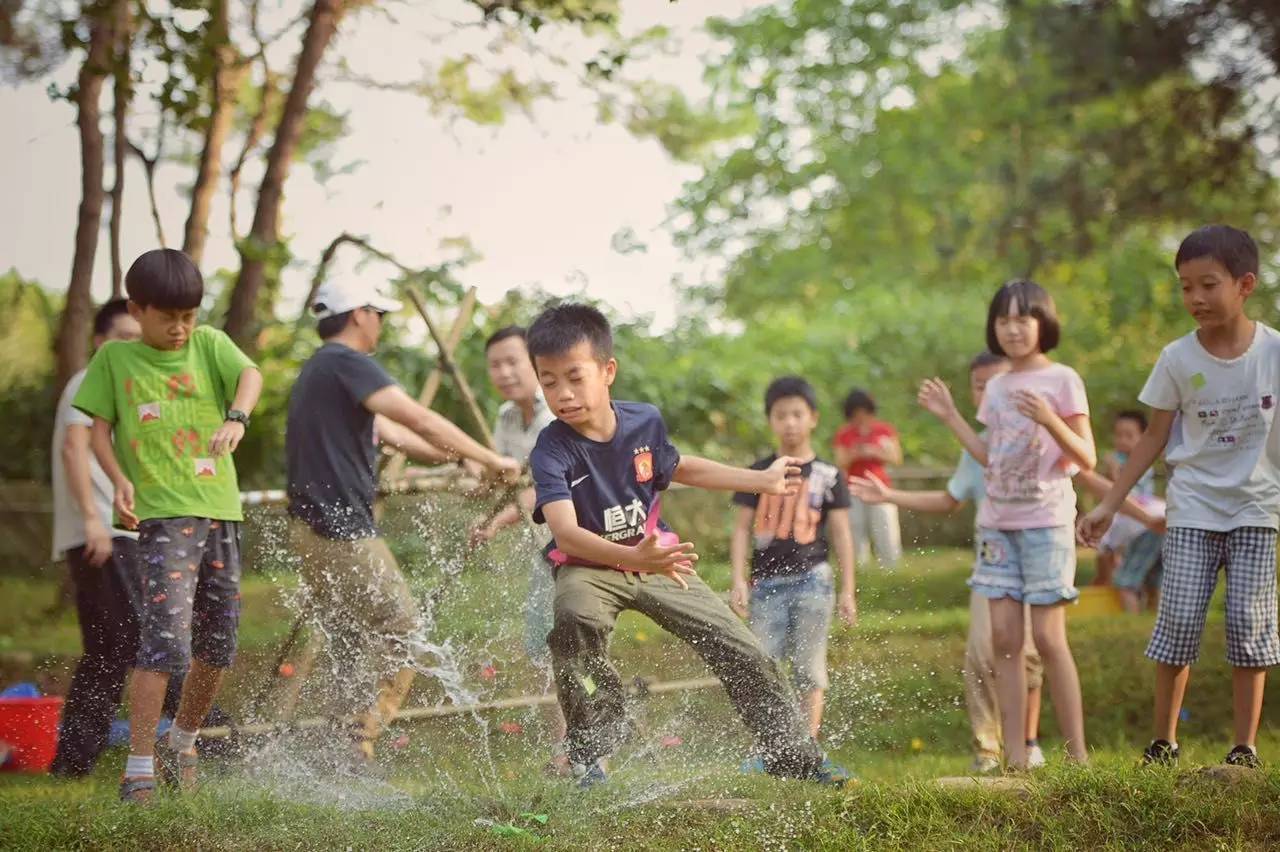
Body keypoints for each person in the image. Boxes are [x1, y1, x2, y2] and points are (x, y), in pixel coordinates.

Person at [526, 303, 847, 789]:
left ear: (608, 371)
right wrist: (632, 558)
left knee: (743, 648)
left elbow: (679, 468)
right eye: (549, 382)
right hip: (587, 563)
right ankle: (591, 754)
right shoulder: (551, 449)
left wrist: (758, 479)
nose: (563, 394)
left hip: (656, 556)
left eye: (574, 377)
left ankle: (795, 757)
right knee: (574, 621)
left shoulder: (644, 423)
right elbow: (565, 534)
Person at [285, 275, 520, 764]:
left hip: (311, 532)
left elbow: (395, 434)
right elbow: (420, 419)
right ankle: (358, 740)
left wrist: (460, 460)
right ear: (359, 315)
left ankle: (334, 751)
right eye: (380, 315)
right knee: (403, 629)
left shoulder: (319, 372)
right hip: (340, 530)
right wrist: (493, 460)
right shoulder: (347, 363)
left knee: (352, 639)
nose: (381, 325)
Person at [1079, 225, 1280, 769]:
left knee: (1248, 623)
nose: (1194, 298)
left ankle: (1245, 747)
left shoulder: (1274, 352)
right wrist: (1106, 504)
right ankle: (1163, 742)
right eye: (1185, 286)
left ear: (1244, 285)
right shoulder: (1176, 358)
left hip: (1256, 510)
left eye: (1207, 285)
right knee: (1180, 621)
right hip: (1192, 508)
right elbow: (1152, 438)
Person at [73, 249, 264, 802]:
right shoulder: (115, 360)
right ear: (138, 309)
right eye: (167, 317)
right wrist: (118, 482)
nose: (180, 328)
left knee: (220, 640)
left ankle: (182, 740)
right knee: (165, 640)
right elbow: (98, 432)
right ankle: (138, 766)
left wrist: (236, 417)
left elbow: (250, 374)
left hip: (220, 509)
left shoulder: (207, 345)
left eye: (189, 316)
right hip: (162, 515)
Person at [920, 279, 1092, 768]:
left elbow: (1086, 455)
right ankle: (1015, 757)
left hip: (1046, 523)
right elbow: (988, 458)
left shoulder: (1062, 380)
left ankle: (1078, 756)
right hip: (998, 526)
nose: (1013, 329)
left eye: (1023, 319)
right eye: (1003, 320)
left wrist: (1049, 419)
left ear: (1044, 323)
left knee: (1051, 640)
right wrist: (951, 414)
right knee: (1004, 642)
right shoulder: (996, 386)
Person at [849, 352, 1047, 773]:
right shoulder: (972, 445)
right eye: (978, 384)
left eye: (995, 381)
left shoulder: (1038, 435)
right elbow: (950, 499)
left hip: (1037, 559)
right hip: (991, 564)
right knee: (980, 654)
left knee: (1028, 653)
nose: (987, 391)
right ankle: (987, 748)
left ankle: (1028, 742)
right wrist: (889, 496)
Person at [729, 376, 857, 742]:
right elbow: (740, 529)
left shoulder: (829, 475)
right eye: (781, 415)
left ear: (813, 418)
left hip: (813, 581)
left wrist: (848, 590)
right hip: (766, 584)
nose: (790, 423)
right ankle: (769, 746)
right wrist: (738, 579)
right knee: (761, 664)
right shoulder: (758, 472)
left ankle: (807, 746)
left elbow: (842, 534)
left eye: (797, 414)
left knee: (808, 667)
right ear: (770, 420)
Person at [48, 300, 144, 777]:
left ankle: (73, 762)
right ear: (99, 341)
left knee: (110, 648)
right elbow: (73, 447)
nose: (132, 345)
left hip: (110, 530)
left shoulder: (107, 388)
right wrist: (91, 518)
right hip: (103, 532)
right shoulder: (88, 380)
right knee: (139, 638)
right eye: (123, 337)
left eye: (136, 337)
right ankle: (205, 740)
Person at [468, 325, 567, 771]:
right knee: (540, 648)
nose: (505, 372)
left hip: (575, 546)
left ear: (535, 365)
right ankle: (565, 748)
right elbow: (500, 479)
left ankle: (580, 748)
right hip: (541, 551)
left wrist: (496, 521)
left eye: (514, 362)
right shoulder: (508, 417)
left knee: (569, 646)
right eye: (495, 365)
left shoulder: (558, 414)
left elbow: (539, 490)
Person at [833, 389, 903, 569]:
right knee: (855, 529)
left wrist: (874, 451)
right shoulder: (844, 434)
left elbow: (896, 458)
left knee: (885, 528)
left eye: (863, 413)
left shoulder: (884, 430)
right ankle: (859, 569)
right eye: (856, 414)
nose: (860, 417)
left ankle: (891, 568)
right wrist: (855, 454)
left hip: (880, 487)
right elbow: (840, 462)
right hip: (854, 489)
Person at [1093, 411, 1163, 586]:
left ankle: (1110, 581)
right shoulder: (1117, 459)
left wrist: (1115, 470)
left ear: (1143, 438)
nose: (1122, 440)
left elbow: (1123, 490)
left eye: (1129, 436)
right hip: (1124, 516)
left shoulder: (1141, 463)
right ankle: (1107, 582)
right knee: (1103, 548)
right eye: (1118, 435)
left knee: (1106, 546)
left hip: (1138, 514)